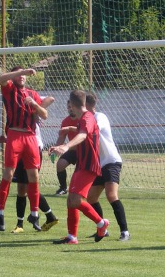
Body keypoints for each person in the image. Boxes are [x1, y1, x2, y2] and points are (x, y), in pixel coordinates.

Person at [48, 90, 110, 244]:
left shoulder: (87, 118)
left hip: (89, 165)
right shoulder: (84, 118)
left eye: (69, 105)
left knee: (76, 200)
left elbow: (83, 134)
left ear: (73, 104)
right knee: (71, 200)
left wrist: (66, 146)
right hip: (82, 163)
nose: (69, 108)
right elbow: (83, 132)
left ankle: (101, 224)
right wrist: (61, 144)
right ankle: (72, 237)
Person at [0, 66, 48, 232]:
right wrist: (22, 71)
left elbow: (44, 114)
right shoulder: (9, 89)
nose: (22, 77)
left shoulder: (32, 94)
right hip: (15, 135)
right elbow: (1, 78)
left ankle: (34, 214)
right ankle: (0, 212)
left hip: (31, 137)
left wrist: (35, 105)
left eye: (24, 75)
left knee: (34, 175)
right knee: (9, 173)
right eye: (19, 74)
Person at [6, 96, 60, 233]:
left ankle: (44, 217)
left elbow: (51, 99)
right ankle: (22, 224)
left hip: (33, 148)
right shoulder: (12, 100)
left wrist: (35, 107)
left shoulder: (28, 97)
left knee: (30, 187)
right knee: (22, 188)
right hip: (21, 148)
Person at [85, 93, 131, 242]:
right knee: (91, 198)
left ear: (87, 106)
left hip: (111, 161)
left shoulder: (100, 117)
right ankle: (102, 229)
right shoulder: (86, 119)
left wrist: (74, 128)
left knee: (111, 195)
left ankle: (125, 232)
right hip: (99, 164)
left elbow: (93, 130)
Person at [52, 108, 79, 197]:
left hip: (84, 151)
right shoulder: (65, 121)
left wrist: (70, 128)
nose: (71, 109)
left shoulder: (83, 119)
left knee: (79, 173)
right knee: (60, 164)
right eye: (68, 107)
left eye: (72, 107)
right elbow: (62, 137)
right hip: (72, 149)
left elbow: (84, 131)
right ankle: (63, 188)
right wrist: (56, 148)